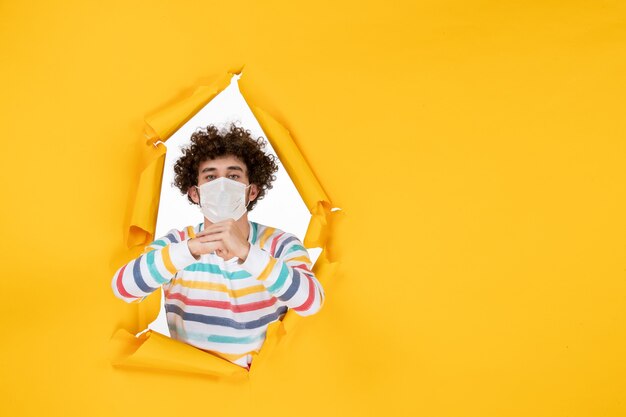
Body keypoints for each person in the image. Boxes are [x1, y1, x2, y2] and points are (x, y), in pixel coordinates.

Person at [111, 123, 325, 370]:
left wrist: (246, 252)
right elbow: (123, 288)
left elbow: (311, 302)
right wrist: (191, 249)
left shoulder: (282, 244)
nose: (222, 186)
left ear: (251, 191)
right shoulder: (177, 244)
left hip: (263, 392)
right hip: (197, 388)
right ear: (195, 193)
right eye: (210, 177)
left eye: (233, 176)